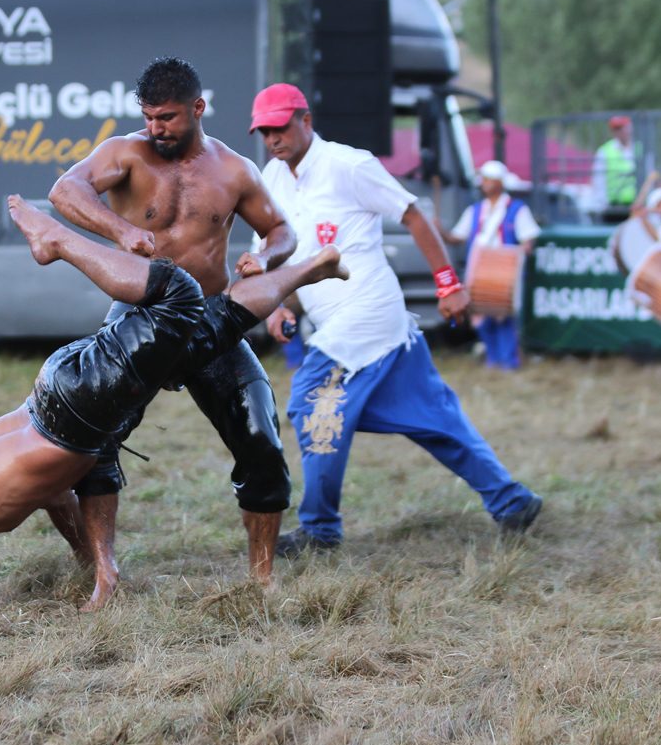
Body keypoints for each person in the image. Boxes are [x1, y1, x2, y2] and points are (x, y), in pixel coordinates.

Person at [0, 195, 347, 610]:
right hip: (55, 390)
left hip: (74, 409)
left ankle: (57, 241)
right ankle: (314, 269)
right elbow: (57, 495)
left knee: (181, 296)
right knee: (200, 335)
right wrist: (88, 563)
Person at [247, 83, 544, 555]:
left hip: (368, 313)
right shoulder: (273, 178)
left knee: (313, 407)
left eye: (280, 126)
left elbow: (414, 215)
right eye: (264, 130)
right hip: (350, 325)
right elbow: (282, 255)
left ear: (306, 120)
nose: (273, 138)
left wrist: (448, 284)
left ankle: (320, 529)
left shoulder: (349, 164)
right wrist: (282, 302)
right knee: (433, 417)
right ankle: (512, 502)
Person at [48, 57, 298, 605]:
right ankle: (102, 574)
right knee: (93, 442)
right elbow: (65, 191)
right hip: (141, 318)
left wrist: (266, 256)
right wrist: (119, 229)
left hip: (211, 322)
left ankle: (261, 581)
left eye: (166, 117)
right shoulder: (125, 153)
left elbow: (280, 230)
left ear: (197, 108)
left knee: (261, 438)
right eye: (148, 116)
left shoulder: (233, 170)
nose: (155, 128)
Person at [442, 159, 541, 370]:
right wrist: (437, 230)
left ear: (499, 182)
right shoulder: (475, 210)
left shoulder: (517, 209)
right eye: (484, 179)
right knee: (481, 316)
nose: (484, 183)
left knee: (504, 317)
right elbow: (456, 237)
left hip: (504, 272)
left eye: (488, 179)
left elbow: (528, 239)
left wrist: (522, 251)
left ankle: (508, 362)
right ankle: (493, 360)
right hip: (478, 272)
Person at [592, 115, 637, 211]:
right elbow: (599, 180)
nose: (621, 132)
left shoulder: (639, 148)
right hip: (614, 206)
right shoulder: (604, 151)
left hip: (637, 204)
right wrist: (601, 204)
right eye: (616, 129)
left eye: (622, 127)